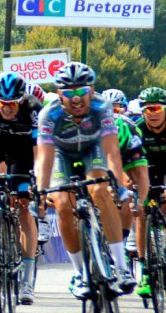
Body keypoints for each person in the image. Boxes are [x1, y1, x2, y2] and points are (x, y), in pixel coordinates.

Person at [34, 62, 136, 299]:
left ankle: (121, 268)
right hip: (61, 153)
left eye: (82, 91)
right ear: (59, 94)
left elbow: (111, 151)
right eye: (69, 93)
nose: (76, 98)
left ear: (92, 90)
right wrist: (40, 193)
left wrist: (118, 185)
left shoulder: (102, 107)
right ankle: (80, 273)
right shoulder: (49, 115)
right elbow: (45, 158)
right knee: (61, 203)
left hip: (93, 149)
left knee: (100, 190)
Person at [0, 72, 42, 305]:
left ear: (21, 100)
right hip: (1, 141)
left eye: (11, 104)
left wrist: (37, 178)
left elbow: (39, 149)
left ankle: (27, 279)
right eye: (2, 103)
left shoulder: (34, 108)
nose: (6, 108)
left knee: (24, 205)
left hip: (26, 150)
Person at [133, 87, 166, 297]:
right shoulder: (137, 129)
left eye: (156, 108)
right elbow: (130, 162)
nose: (152, 114)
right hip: (146, 168)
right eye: (147, 110)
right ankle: (145, 270)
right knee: (142, 213)